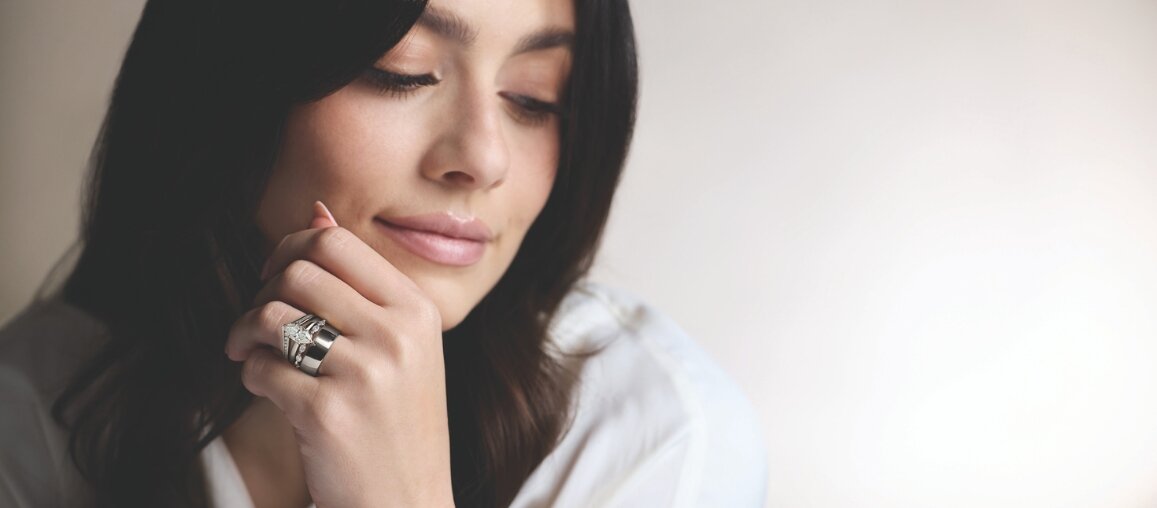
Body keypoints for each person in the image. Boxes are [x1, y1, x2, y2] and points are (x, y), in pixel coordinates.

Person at [0, 0, 767, 506]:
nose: (482, 158)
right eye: (403, 72)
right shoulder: (36, 403)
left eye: (534, 96)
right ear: (235, 79)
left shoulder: (655, 437)